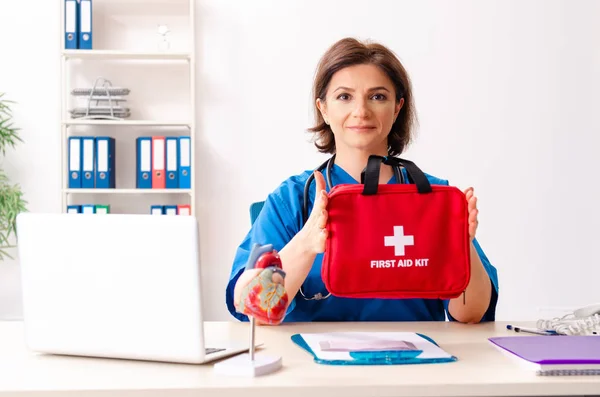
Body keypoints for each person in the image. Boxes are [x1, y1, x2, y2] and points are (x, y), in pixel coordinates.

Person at [225, 37, 499, 324]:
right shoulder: (292, 199)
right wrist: (307, 242)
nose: (361, 111)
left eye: (378, 96)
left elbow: (471, 315)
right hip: (311, 364)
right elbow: (251, 308)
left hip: (416, 363)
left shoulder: (434, 197)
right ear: (324, 109)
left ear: (397, 108)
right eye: (344, 97)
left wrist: (460, 244)